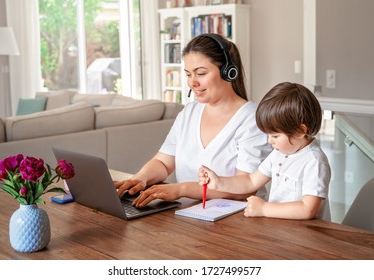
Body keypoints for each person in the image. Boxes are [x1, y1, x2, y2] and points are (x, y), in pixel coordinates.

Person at [114, 33, 271, 207]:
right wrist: (140, 178)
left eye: (201, 73)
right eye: (188, 74)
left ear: (228, 72)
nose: (192, 83)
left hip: (236, 220)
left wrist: (182, 189)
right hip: (188, 214)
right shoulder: (189, 112)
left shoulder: (252, 119)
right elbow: (163, 162)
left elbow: (247, 187)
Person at [198, 82, 331, 220]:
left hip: (306, 237)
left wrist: (264, 208)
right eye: (268, 135)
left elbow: (308, 209)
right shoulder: (278, 154)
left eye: (275, 136)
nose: (269, 141)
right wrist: (219, 182)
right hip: (280, 232)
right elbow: (251, 181)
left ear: (300, 131)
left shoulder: (314, 161)